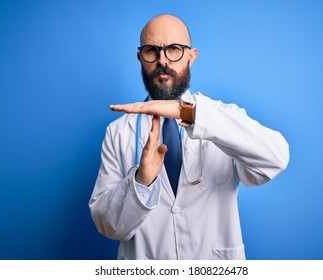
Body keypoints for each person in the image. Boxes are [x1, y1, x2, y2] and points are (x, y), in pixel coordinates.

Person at [89, 14, 290, 260]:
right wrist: (141, 182)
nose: (162, 60)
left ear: (191, 56)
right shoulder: (118, 132)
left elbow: (276, 158)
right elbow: (107, 225)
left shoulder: (223, 118)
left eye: (173, 49)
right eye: (152, 50)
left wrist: (190, 113)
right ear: (141, 58)